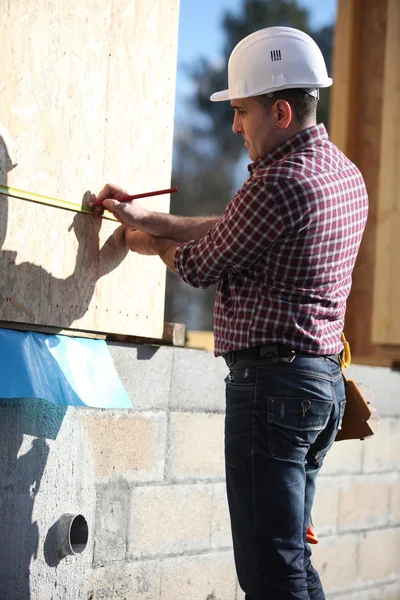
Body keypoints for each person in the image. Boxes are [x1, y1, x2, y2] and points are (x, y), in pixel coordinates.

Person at [91, 26, 368, 600]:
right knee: (288, 559)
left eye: (242, 111)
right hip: (316, 390)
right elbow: (236, 228)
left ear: (282, 111)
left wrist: (150, 244)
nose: (236, 125)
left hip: (273, 393)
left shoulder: (279, 184)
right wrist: (151, 216)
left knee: (272, 574)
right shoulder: (340, 173)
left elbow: (200, 264)